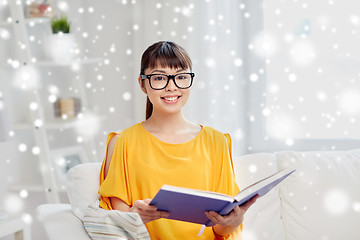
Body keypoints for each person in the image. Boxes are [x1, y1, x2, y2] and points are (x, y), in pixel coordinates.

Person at [98, 41, 258, 239]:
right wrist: (133, 217)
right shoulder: (123, 143)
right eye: (159, 78)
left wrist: (233, 221)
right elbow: (116, 225)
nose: (171, 86)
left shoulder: (216, 142)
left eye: (181, 77)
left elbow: (220, 229)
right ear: (142, 84)